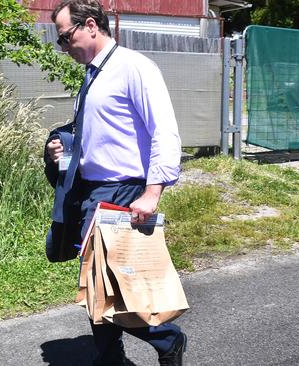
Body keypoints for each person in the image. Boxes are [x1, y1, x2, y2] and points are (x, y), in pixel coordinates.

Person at [44, 1, 186, 365]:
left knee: (115, 285)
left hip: (122, 191)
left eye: (65, 37)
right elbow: (101, 133)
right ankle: (109, 358)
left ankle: (167, 339)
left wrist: (152, 193)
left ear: (90, 25)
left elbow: (164, 132)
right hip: (91, 192)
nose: (63, 47)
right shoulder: (93, 75)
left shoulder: (133, 68)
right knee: (96, 284)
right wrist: (63, 145)